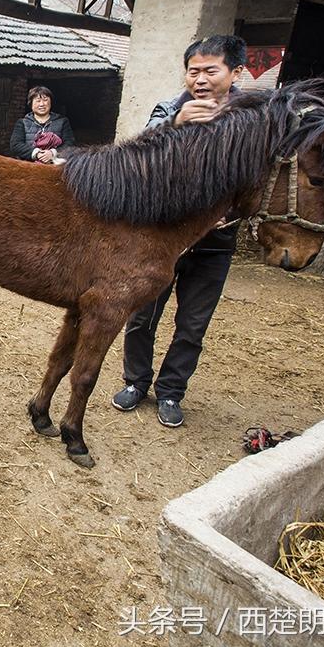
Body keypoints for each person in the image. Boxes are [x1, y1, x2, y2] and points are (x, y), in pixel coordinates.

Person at [111, 34, 247, 428]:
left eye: (210, 70)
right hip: (162, 238)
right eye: (193, 71)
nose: (200, 79)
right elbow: (137, 153)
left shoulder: (250, 117)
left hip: (215, 244)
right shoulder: (170, 108)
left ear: (235, 72)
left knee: (192, 324)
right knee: (141, 316)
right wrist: (175, 124)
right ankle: (136, 382)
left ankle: (171, 391)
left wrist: (231, 212)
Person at [9, 86, 76, 163]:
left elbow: (70, 144)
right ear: (31, 104)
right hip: (28, 166)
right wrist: (37, 153)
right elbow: (15, 145)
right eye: (38, 101)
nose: (42, 104)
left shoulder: (62, 122)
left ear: (50, 102)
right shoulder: (22, 123)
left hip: (54, 167)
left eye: (45, 100)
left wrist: (53, 153)